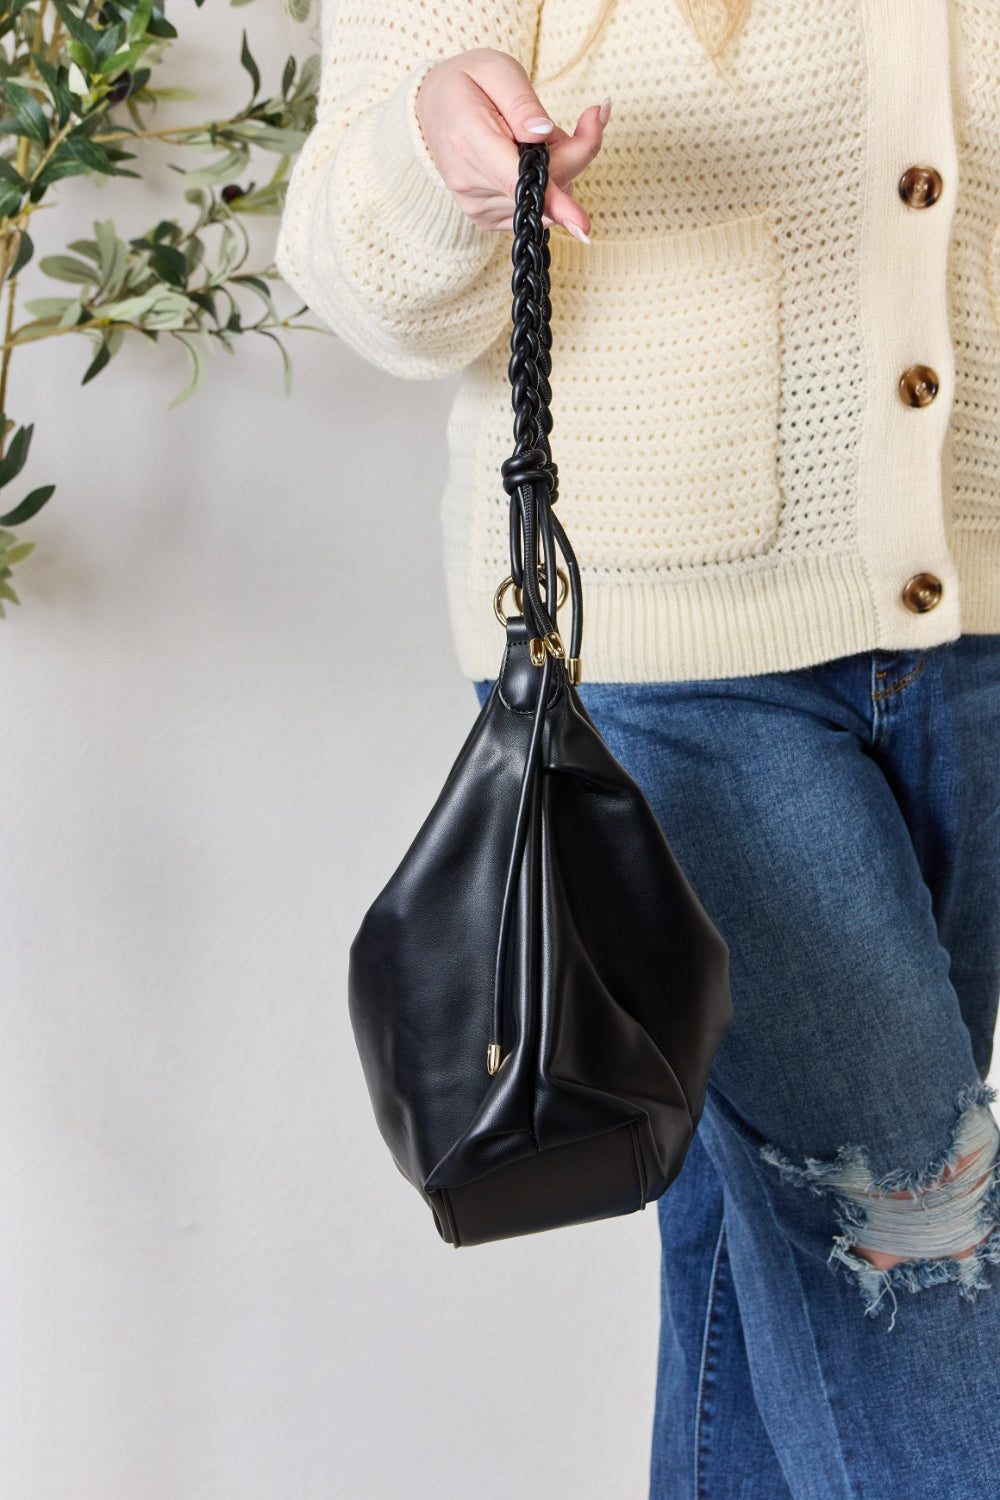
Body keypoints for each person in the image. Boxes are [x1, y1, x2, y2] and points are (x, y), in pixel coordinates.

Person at [275, 2, 1000, 1494]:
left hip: (979, 631)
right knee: (903, 1237)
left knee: (768, 1241)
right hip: (672, 667)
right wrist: (436, 159)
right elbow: (366, 283)